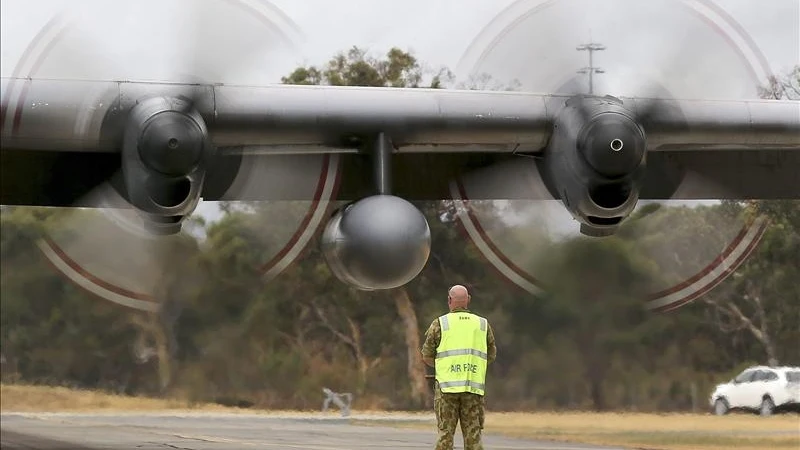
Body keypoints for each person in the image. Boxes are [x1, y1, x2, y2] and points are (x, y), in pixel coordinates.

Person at [420, 284, 497, 450]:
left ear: (449, 300)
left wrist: (444, 367)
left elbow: (426, 355)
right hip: (473, 389)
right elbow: (490, 355)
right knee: (473, 437)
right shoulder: (482, 324)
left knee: (445, 435)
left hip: (447, 390)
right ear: (468, 300)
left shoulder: (440, 324)